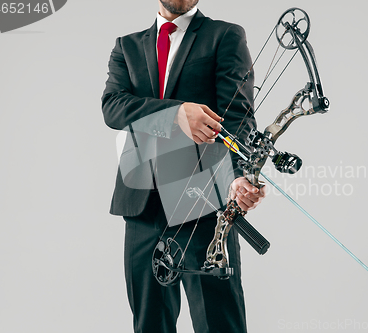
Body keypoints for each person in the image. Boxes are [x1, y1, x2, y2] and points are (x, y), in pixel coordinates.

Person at [101, 0, 266, 332]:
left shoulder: (224, 36)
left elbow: (238, 117)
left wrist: (238, 177)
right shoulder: (127, 46)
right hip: (142, 203)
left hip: (203, 202)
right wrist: (176, 114)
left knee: (218, 321)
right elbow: (113, 107)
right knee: (149, 323)